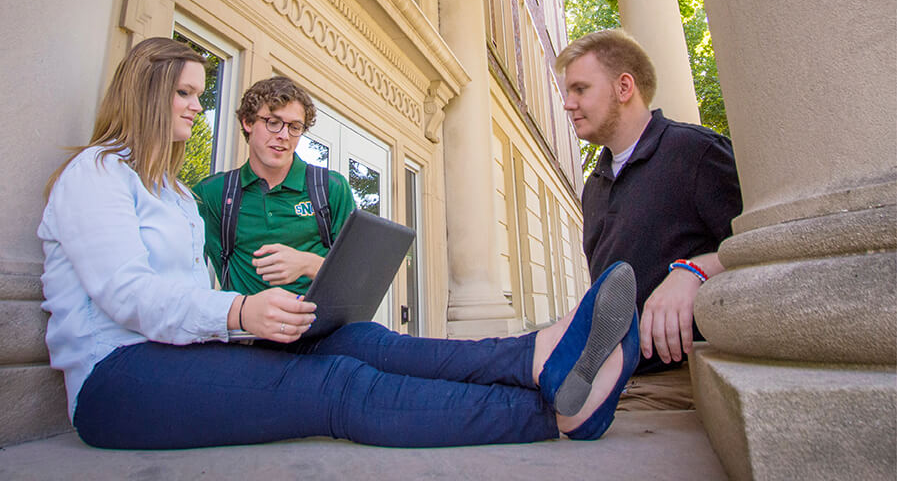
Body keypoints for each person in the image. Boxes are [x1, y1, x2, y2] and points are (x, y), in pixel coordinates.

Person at [39, 36, 641, 450]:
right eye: (186, 94)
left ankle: (535, 355)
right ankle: (553, 415)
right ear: (147, 94)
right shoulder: (98, 174)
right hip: (114, 380)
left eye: (200, 93)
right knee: (336, 387)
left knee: (361, 341)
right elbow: (126, 295)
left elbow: (188, 294)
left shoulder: (170, 194)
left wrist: (248, 321)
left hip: (184, 351)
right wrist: (240, 310)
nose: (199, 107)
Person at [557, 29, 742, 410]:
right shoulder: (595, 184)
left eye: (579, 89)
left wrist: (695, 270)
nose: (567, 104)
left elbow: (762, 247)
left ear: (624, 87)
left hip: (680, 381)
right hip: (611, 379)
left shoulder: (697, 153)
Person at [193, 76, 355, 297]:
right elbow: (185, 272)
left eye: (295, 127)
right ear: (247, 122)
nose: (284, 135)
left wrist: (309, 264)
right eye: (273, 122)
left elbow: (357, 276)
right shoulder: (212, 193)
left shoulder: (330, 188)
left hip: (321, 327)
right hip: (246, 328)